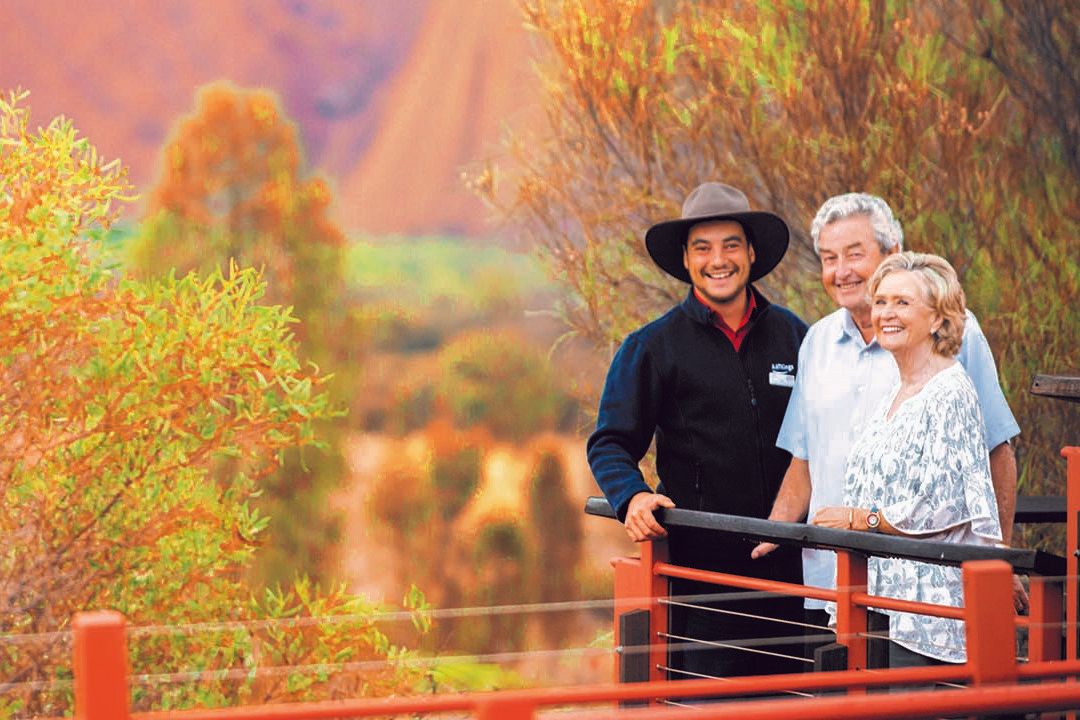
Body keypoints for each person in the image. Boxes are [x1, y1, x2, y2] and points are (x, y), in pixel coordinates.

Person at [750, 193, 1023, 658]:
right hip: (831, 581)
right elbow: (804, 460)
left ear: (892, 252)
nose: (842, 271)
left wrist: (997, 559)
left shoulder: (951, 335)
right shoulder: (815, 342)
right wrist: (773, 533)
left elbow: (996, 451)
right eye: (829, 258)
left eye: (855, 253)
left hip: (921, 589)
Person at [588, 181, 808, 679]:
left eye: (731, 245)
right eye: (702, 248)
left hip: (795, 577)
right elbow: (610, 442)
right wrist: (633, 497)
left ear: (751, 253)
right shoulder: (653, 346)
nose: (718, 259)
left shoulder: (797, 338)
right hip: (701, 578)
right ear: (686, 262)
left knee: (799, 707)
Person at [812, 251, 1002, 666]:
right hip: (875, 600)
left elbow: (943, 504)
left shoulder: (950, 392)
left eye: (903, 302)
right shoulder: (895, 394)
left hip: (925, 613)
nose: (886, 313)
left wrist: (862, 519)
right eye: (881, 301)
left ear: (937, 319)